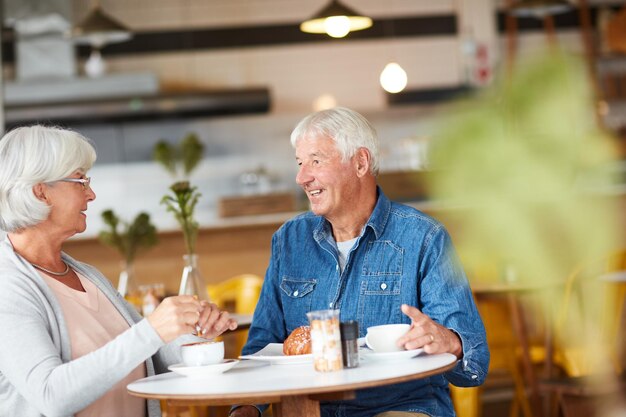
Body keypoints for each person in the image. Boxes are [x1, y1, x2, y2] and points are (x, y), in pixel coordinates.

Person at [231, 107, 489, 417]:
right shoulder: (289, 240)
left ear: (360, 162)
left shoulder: (423, 237)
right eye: (300, 163)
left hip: (399, 406)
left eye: (316, 161)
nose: (302, 177)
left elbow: (475, 362)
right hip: (307, 410)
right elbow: (261, 345)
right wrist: (244, 411)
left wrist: (449, 341)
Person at [0, 125, 237, 417]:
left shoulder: (87, 275)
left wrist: (196, 338)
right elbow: (51, 395)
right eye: (80, 180)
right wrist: (153, 329)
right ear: (41, 192)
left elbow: (152, 353)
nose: (92, 194)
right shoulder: (7, 286)